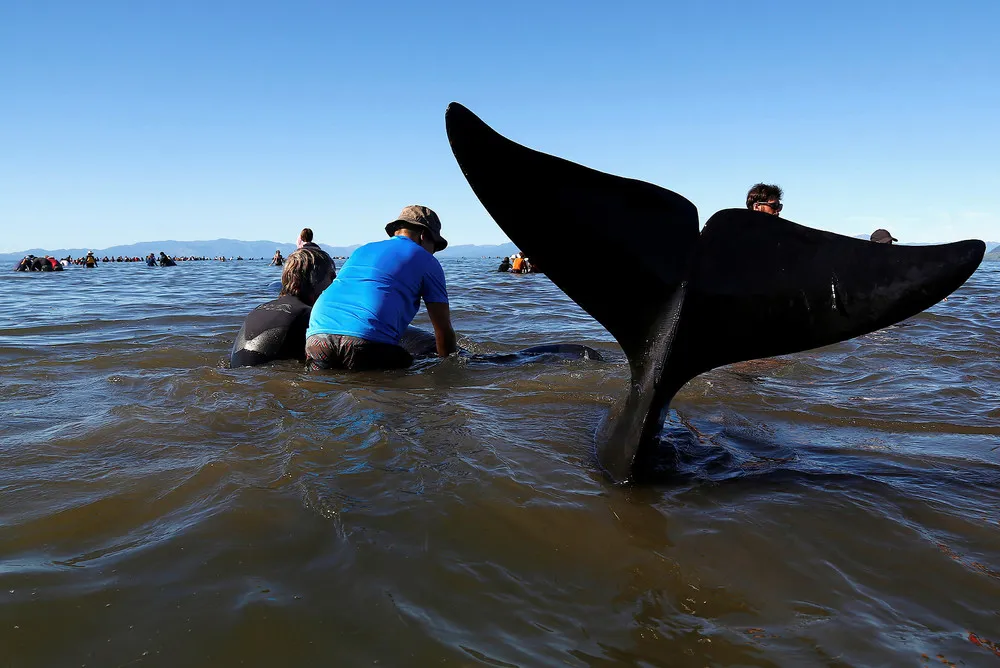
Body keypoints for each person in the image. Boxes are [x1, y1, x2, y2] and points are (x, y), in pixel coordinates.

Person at [305, 205, 457, 371]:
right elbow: (443, 329)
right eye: (434, 246)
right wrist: (449, 370)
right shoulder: (427, 260)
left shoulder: (362, 250)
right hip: (365, 343)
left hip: (317, 338)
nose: (433, 252)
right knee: (405, 377)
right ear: (423, 235)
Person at [230, 247, 335, 368]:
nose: (334, 283)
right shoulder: (309, 315)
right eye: (332, 277)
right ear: (315, 280)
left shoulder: (260, 308)